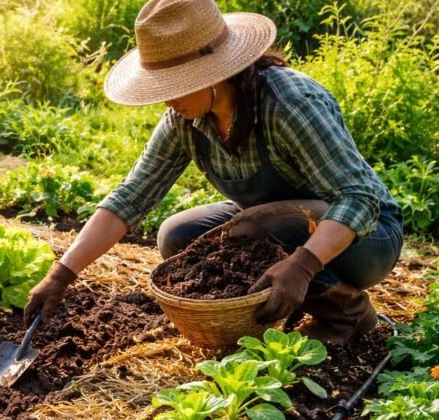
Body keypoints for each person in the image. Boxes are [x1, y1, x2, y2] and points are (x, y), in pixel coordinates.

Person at [24, 0, 402, 345]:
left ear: (211, 76)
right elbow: (133, 195)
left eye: (173, 86)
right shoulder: (185, 118)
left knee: (255, 226)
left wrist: (302, 266)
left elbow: (360, 198)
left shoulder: (289, 103)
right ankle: (262, 317)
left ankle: (347, 316)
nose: (165, 98)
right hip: (276, 226)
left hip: (368, 239)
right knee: (179, 237)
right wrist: (62, 274)